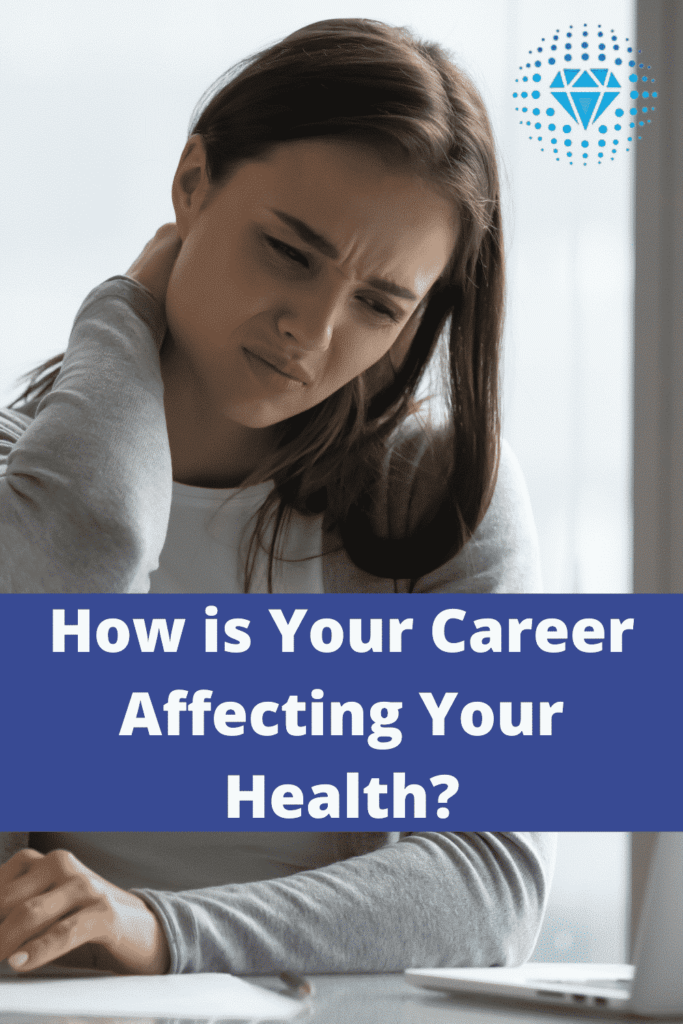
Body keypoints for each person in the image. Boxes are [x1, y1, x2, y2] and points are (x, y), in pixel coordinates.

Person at [0, 19, 553, 977]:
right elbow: (73, 563)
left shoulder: (441, 494)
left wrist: (158, 929)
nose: (311, 328)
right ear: (191, 182)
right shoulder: (31, 476)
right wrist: (120, 309)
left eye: (379, 304)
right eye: (290, 252)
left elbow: (491, 882)